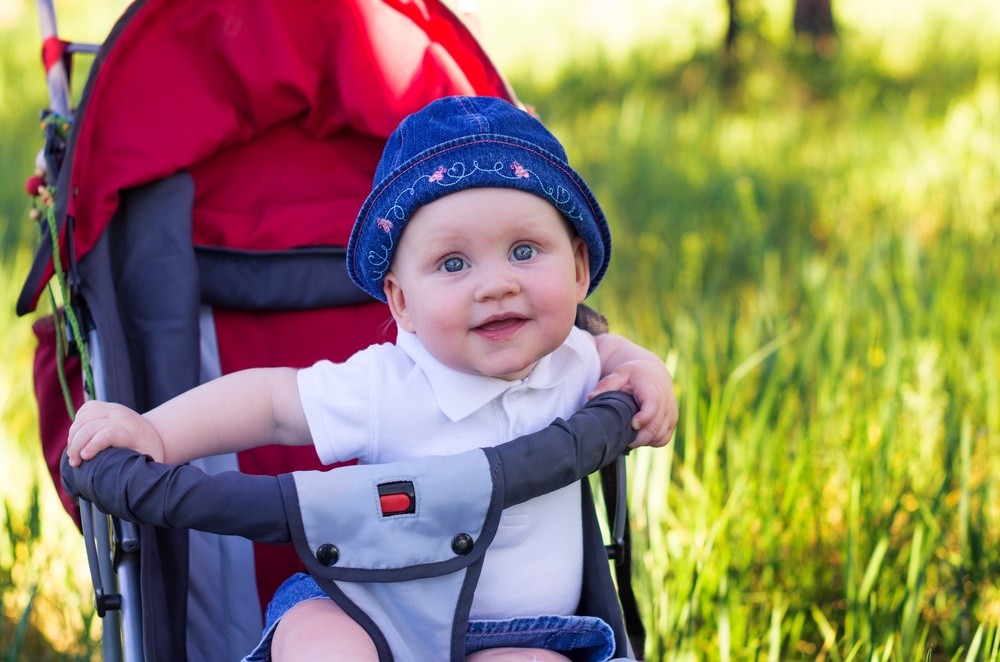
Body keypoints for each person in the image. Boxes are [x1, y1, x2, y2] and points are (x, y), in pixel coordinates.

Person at [67, 95, 676, 661]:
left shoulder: (578, 360)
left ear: (577, 269)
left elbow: (612, 350)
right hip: (368, 608)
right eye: (453, 263)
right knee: (317, 638)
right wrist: (155, 434)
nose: (496, 284)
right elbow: (272, 401)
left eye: (524, 251)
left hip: (527, 629)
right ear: (401, 304)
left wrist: (644, 371)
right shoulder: (389, 386)